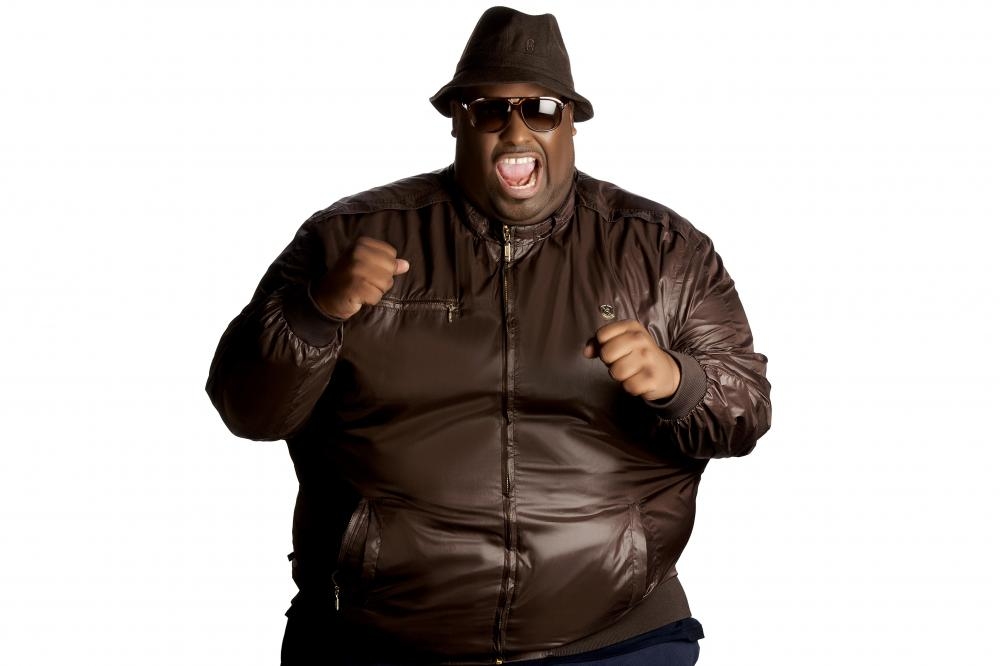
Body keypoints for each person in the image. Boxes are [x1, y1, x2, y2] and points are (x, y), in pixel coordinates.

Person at [207, 7, 771, 665]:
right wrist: (315, 311)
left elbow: (746, 416)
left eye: (541, 109)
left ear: (570, 122)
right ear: (458, 120)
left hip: (613, 640)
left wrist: (679, 383)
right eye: (490, 109)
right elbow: (248, 410)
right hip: (375, 640)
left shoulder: (663, 251)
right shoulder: (345, 237)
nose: (516, 129)